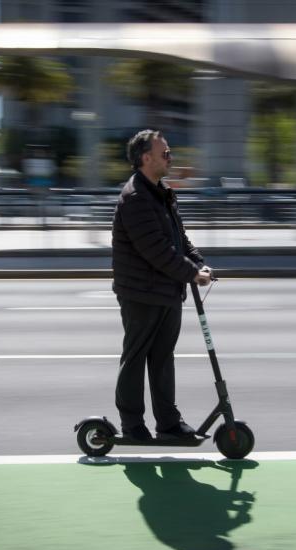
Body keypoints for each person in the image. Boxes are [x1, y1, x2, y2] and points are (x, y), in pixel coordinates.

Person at [112, 129, 212, 441]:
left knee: (163, 359)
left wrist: (198, 262)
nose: (170, 157)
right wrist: (190, 273)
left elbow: (179, 239)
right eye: (165, 153)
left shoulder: (162, 192)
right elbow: (156, 249)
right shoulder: (136, 198)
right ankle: (132, 425)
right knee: (136, 358)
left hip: (167, 290)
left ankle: (168, 422)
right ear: (146, 158)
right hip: (141, 294)